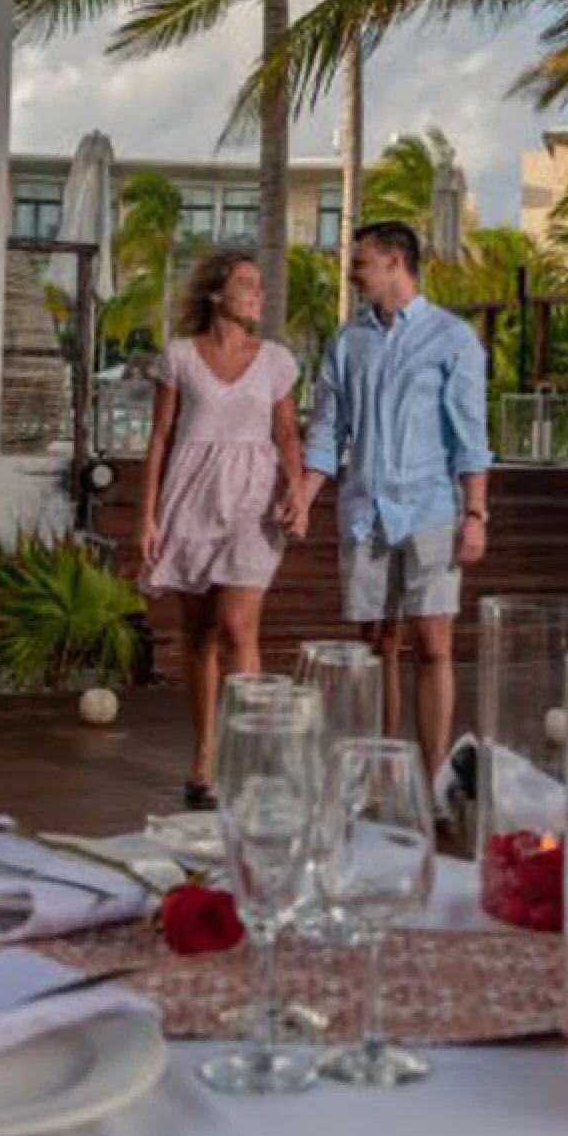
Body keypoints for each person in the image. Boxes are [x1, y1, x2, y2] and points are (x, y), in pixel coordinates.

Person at [300, 221, 490, 784]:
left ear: (394, 263)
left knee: (433, 642)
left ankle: (432, 779)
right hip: (365, 511)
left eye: (360, 263)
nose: (353, 273)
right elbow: (327, 431)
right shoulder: (347, 342)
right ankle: (380, 776)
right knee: (377, 643)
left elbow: (470, 436)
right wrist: (306, 496)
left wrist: (475, 513)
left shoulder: (452, 339)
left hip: (432, 510)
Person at [138, 250, 307, 809]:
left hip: (253, 501)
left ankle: (249, 754)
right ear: (217, 295)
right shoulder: (180, 357)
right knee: (200, 634)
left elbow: (287, 433)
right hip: (190, 497)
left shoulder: (276, 360)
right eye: (246, 286)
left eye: (260, 286)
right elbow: (159, 437)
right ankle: (205, 751)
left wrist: (297, 489)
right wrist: (147, 514)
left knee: (238, 627)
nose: (258, 295)